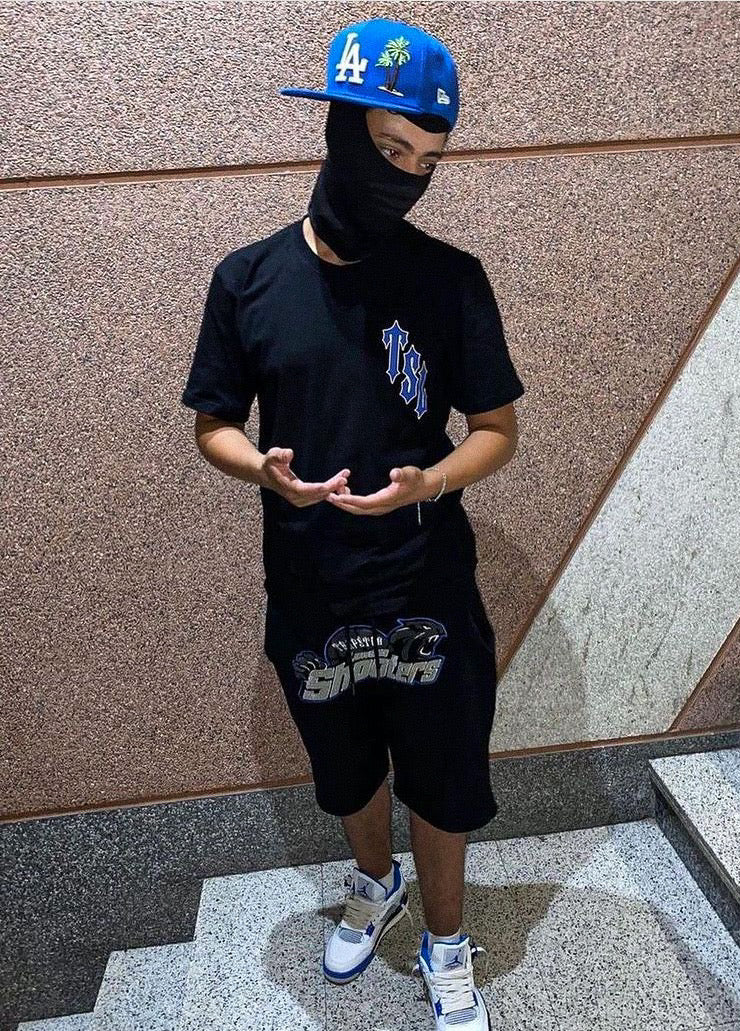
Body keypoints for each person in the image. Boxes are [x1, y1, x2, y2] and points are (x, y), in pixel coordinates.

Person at [181, 17, 524, 1031]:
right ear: (336, 128)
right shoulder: (247, 280)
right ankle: (377, 884)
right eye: (388, 150)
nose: (405, 178)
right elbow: (212, 423)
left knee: (444, 770)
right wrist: (262, 469)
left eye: (425, 162)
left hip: (425, 577)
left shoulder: (449, 278)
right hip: (310, 579)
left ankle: (447, 938)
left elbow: (497, 430)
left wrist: (429, 483)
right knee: (346, 764)